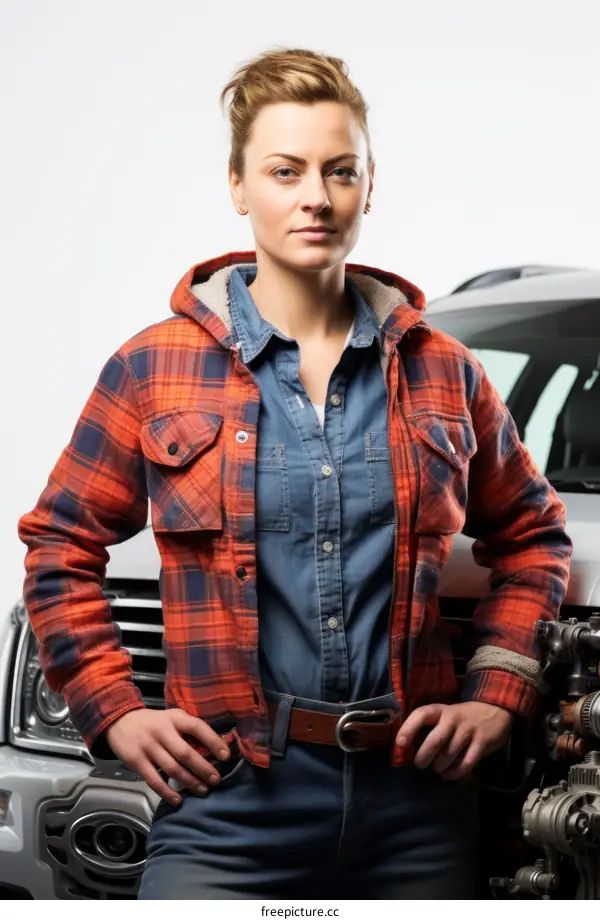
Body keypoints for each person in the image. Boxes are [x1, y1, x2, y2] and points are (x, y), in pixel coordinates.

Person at [18, 47, 572, 900]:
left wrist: (498, 693)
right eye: (286, 171)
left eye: (339, 170)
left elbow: (534, 536)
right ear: (238, 186)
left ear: (368, 185)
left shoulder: (444, 371)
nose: (316, 196)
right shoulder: (152, 369)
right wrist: (113, 707)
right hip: (228, 804)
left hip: (416, 809)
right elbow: (59, 545)